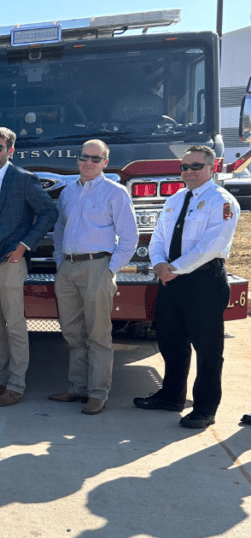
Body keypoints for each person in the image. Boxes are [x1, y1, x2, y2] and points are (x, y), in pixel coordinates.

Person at [135, 145, 240, 429]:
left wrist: (173, 269)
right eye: (184, 167)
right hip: (170, 280)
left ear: (212, 168)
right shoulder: (175, 199)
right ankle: (171, 396)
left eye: (196, 166)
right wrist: (159, 264)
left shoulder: (222, 201)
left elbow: (211, 246)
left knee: (207, 349)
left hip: (204, 282)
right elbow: (158, 237)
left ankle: (205, 409)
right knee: (171, 342)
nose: (189, 172)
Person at [49, 140, 138, 415]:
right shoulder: (67, 193)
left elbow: (129, 238)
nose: (88, 163)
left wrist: (110, 270)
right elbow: (59, 229)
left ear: (104, 163)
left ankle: (98, 393)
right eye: (84, 157)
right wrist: (59, 261)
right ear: (78, 159)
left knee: (98, 334)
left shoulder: (116, 193)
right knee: (73, 333)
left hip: (98, 266)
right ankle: (77, 388)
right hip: (68, 268)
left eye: (95, 159)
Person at [0, 127, 57, 407]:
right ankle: (0, 380)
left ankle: (16, 385)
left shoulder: (22, 179)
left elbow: (49, 212)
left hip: (9, 260)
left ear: (10, 151)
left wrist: (24, 246)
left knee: (15, 325)